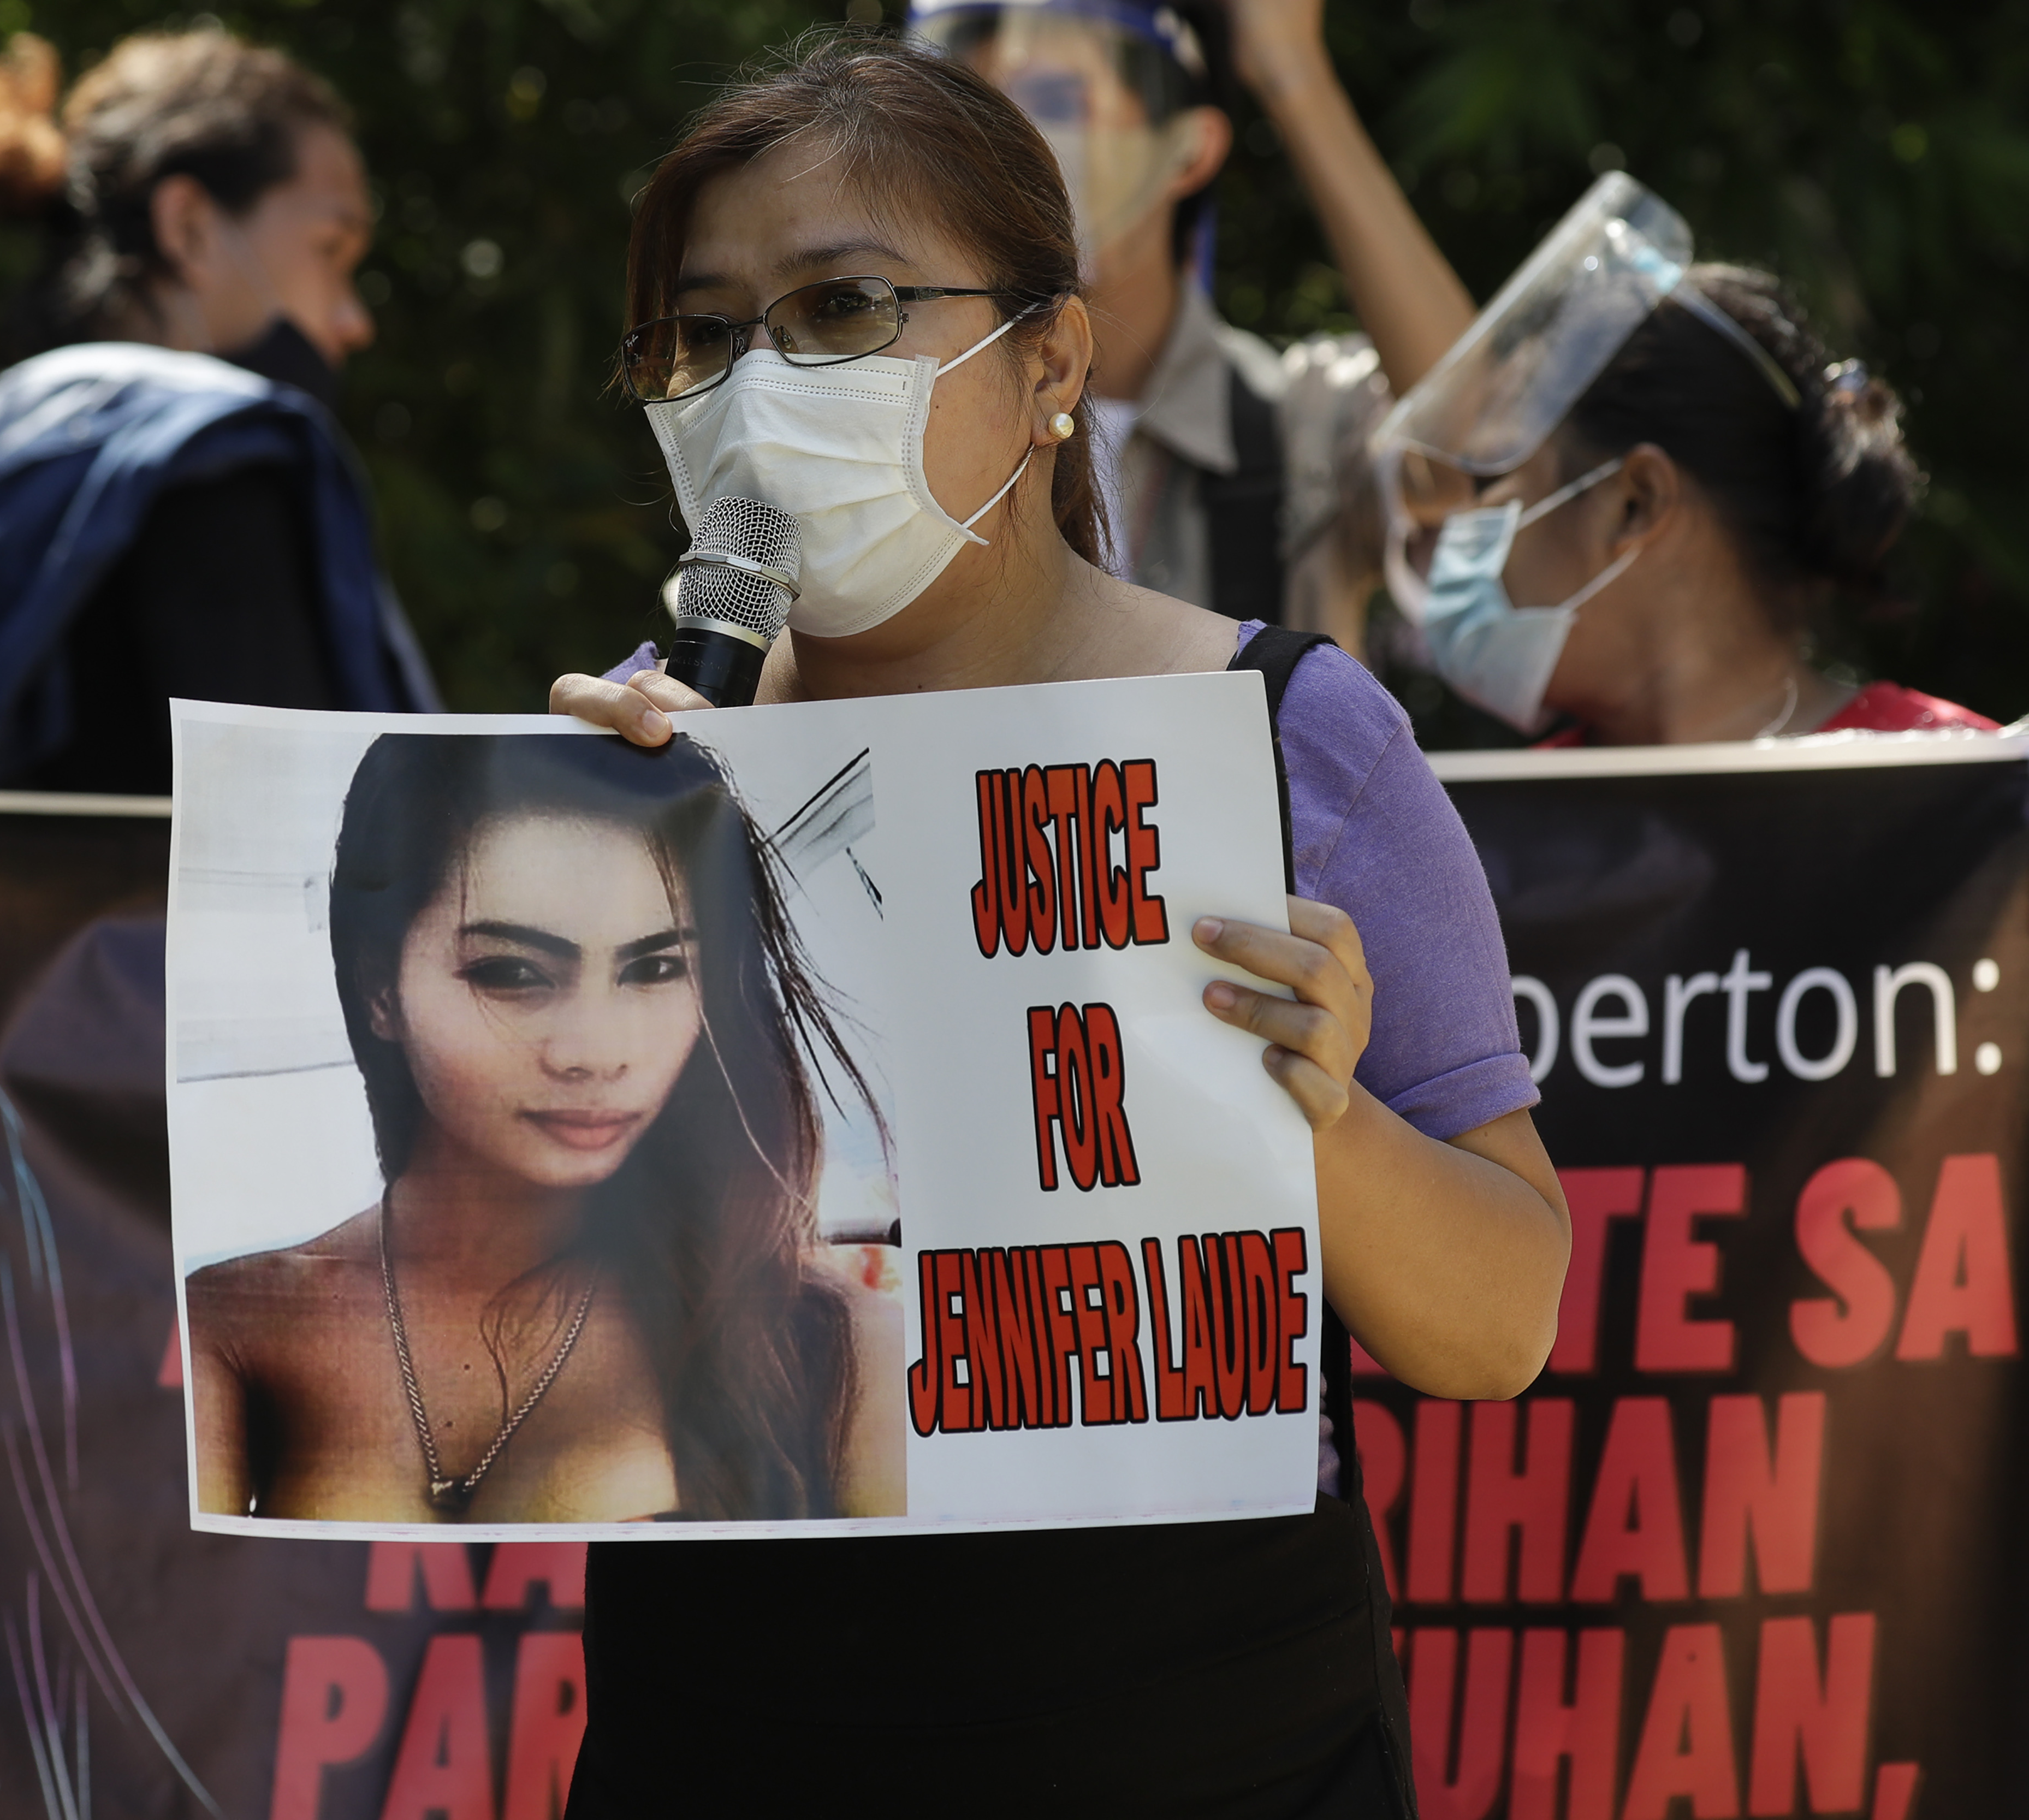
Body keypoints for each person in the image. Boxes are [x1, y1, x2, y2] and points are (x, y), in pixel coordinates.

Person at [555, 35, 1567, 1813]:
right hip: (726, 1735)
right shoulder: (642, 744)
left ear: (1051, 364)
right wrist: (572, 870)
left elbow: (1497, 1329)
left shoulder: (1288, 740)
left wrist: (1322, 1116)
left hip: (1216, 1752)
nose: (760, 386)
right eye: (704, 335)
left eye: (846, 307)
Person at [184, 732, 904, 1523]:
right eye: (513, 972)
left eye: (655, 968)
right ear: (380, 989)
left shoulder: (835, 1344)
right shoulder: (235, 1318)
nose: (595, 1052)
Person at [0, 27, 438, 795]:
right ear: (188, 226)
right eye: (330, 250)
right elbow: (293, 835)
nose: (353, 321)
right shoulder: (222, 467)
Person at [906, 0, 1474, 656]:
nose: (1002, 149)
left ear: (1189, 151)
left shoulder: (1294, 427)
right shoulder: (891, 410)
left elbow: (1472, 451)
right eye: (965, 117)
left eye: (1055, 101)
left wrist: (1294, 75)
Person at [1374, 176, 1996, 745]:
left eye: (1497, 478)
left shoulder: (1961, 785)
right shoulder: (1499, 816)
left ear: (1636, 502)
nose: (1464, 526)